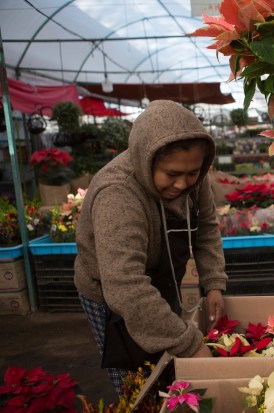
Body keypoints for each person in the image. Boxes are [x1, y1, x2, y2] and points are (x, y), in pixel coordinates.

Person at [74, 100, 227, 395]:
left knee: (167, 358)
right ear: (147, 160)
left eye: (192, 173)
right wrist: (191, 345)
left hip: (159, 277)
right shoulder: (117, 194)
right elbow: (125, 286)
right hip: (110, 292)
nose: (183, 184)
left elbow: (206, 229)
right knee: (135, 376)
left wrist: (214, 283)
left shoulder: (194, 176)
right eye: (171, 174)